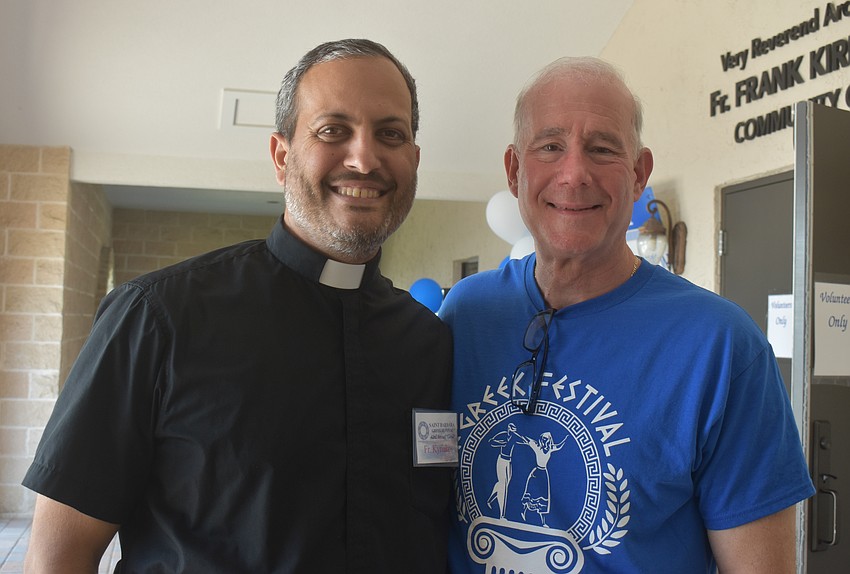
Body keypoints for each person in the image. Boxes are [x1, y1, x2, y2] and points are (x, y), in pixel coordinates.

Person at [22, 38, 453, 573]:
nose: (364, 158)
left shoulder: (429, 342)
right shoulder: (158, 317)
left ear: (413, 159)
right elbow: (57, 557)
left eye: (390, 134)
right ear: (281, 156)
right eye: (332, 130)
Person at [440, 56, 815, 573]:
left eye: (602, 149)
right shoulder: (465, 314)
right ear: (514, 170)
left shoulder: (720, 348)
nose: (574, 173)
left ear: (639, 174)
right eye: (550, 146)